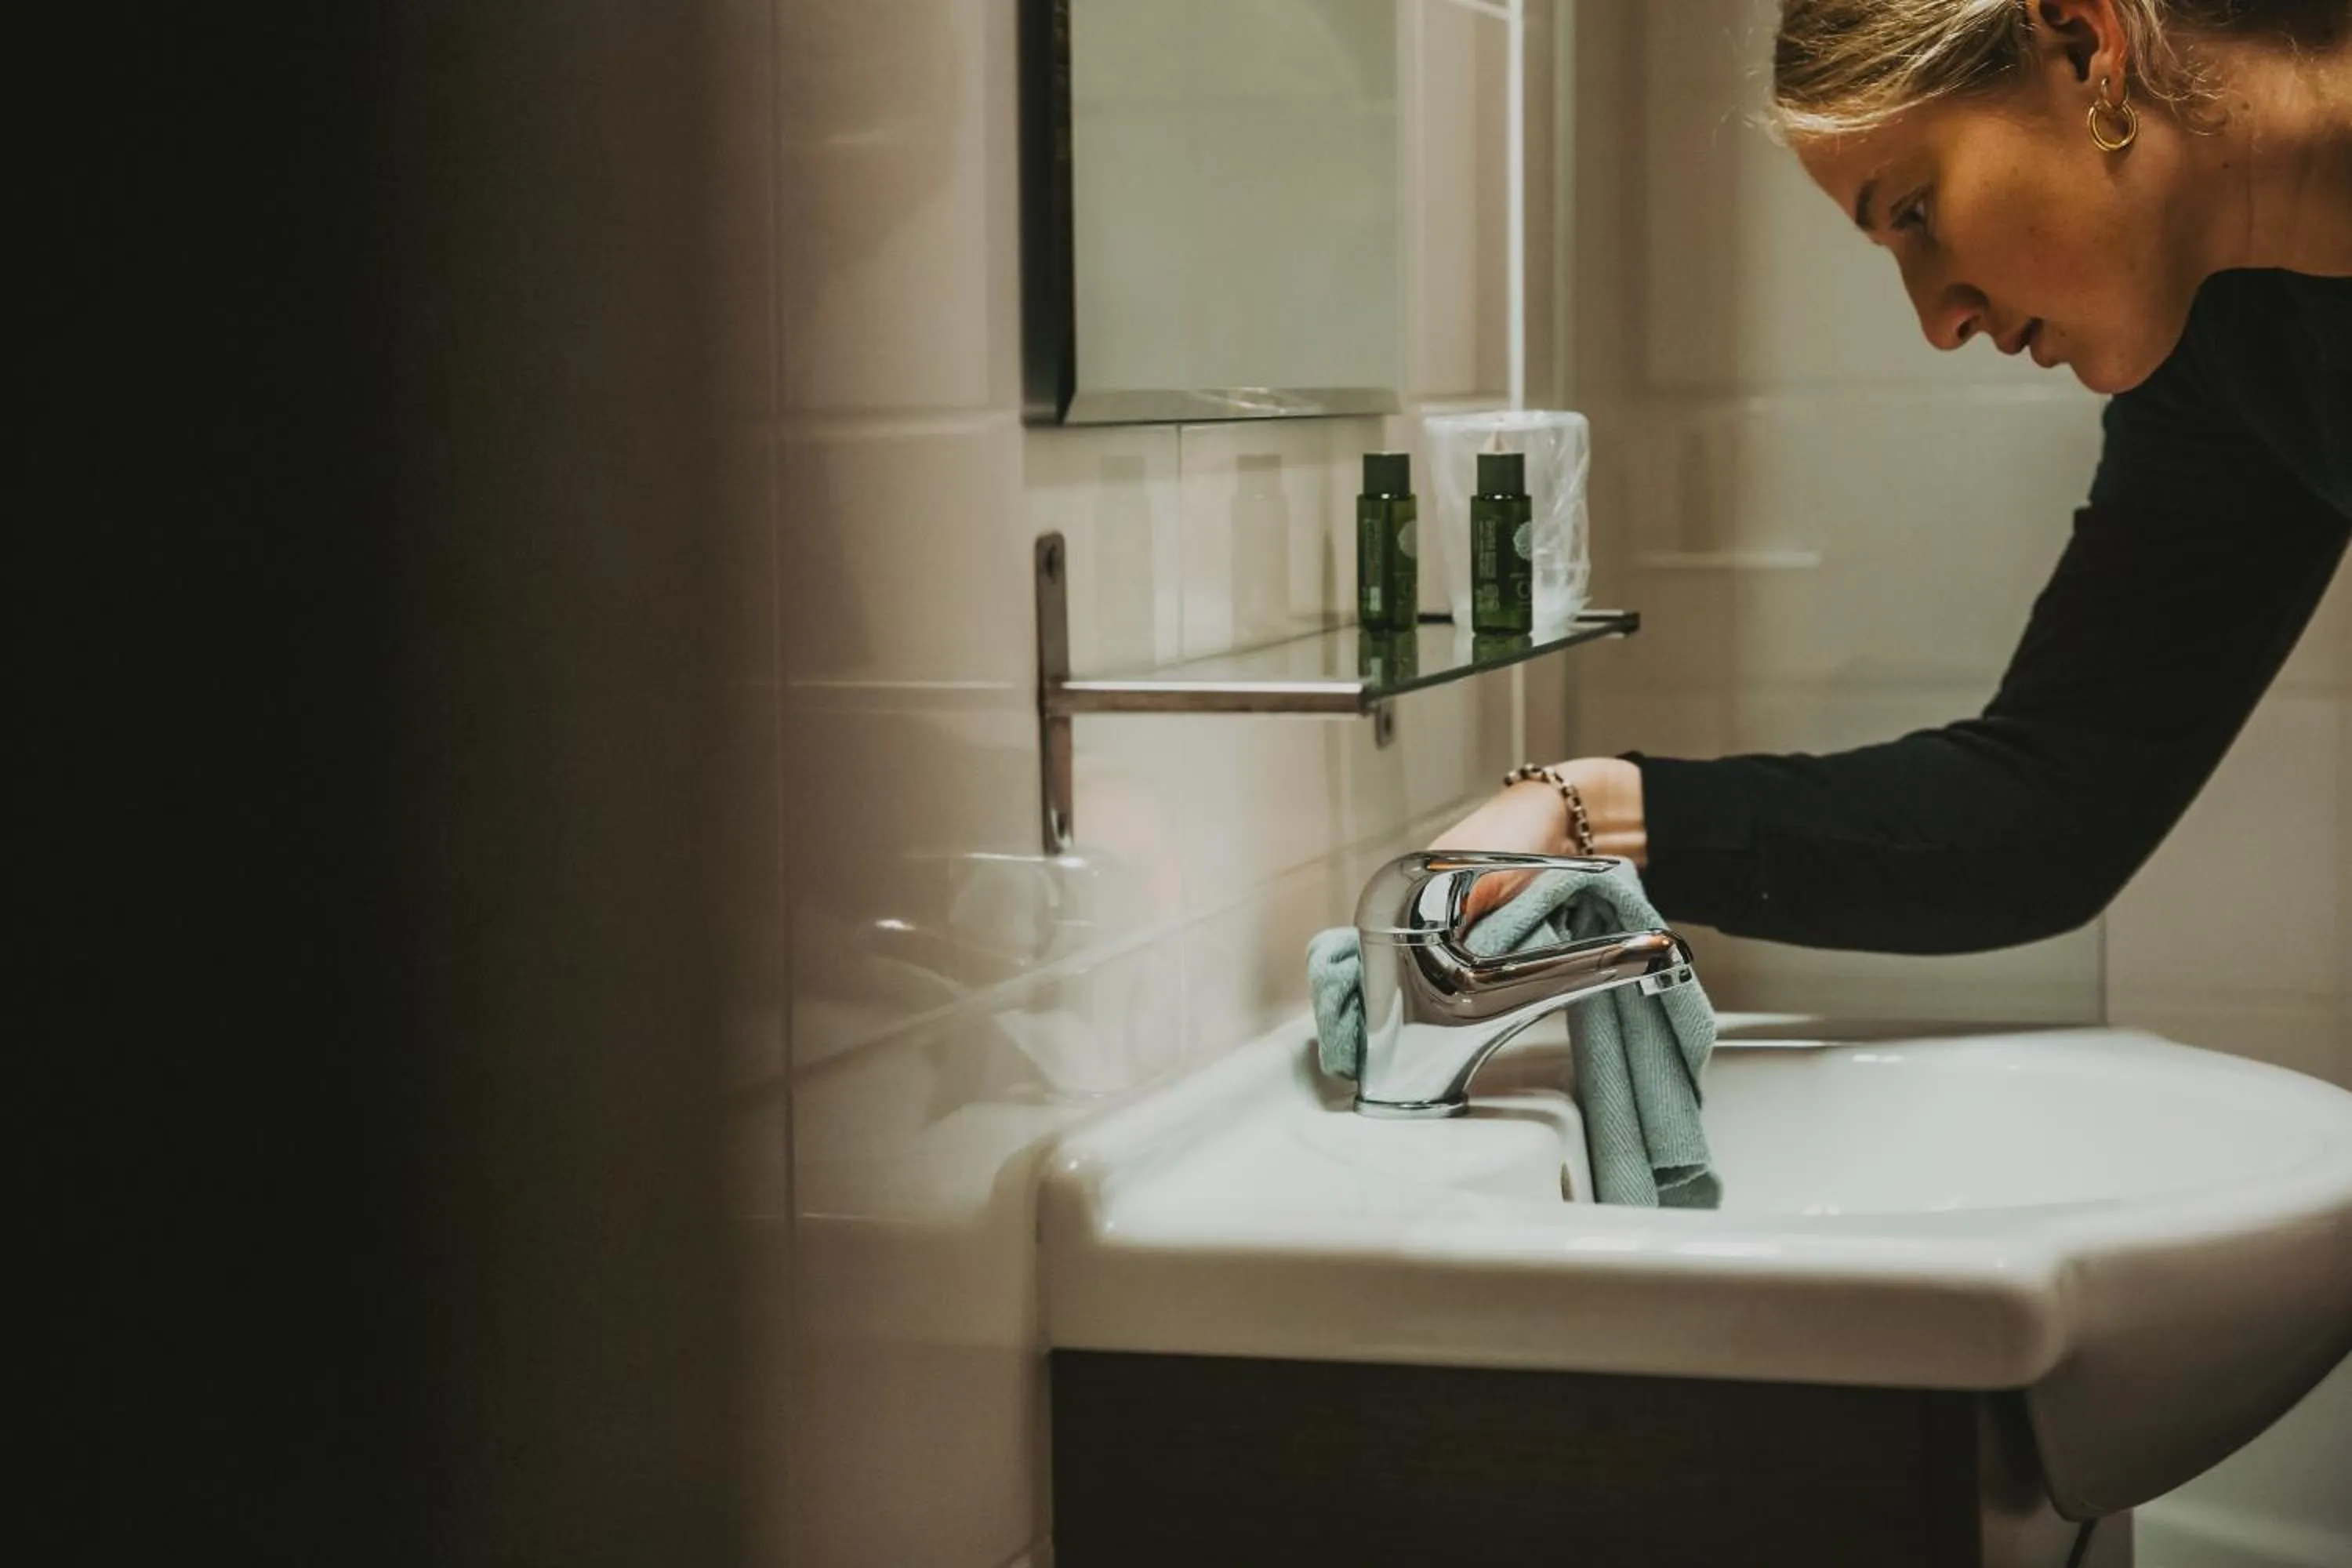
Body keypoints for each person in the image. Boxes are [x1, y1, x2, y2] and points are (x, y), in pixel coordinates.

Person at [1439, 0, 2352, 949]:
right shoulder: (2236, 347)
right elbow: (2055, 806)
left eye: (1916, 214)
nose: (1938, 321)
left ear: (2086, 46)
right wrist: (1593, 809)